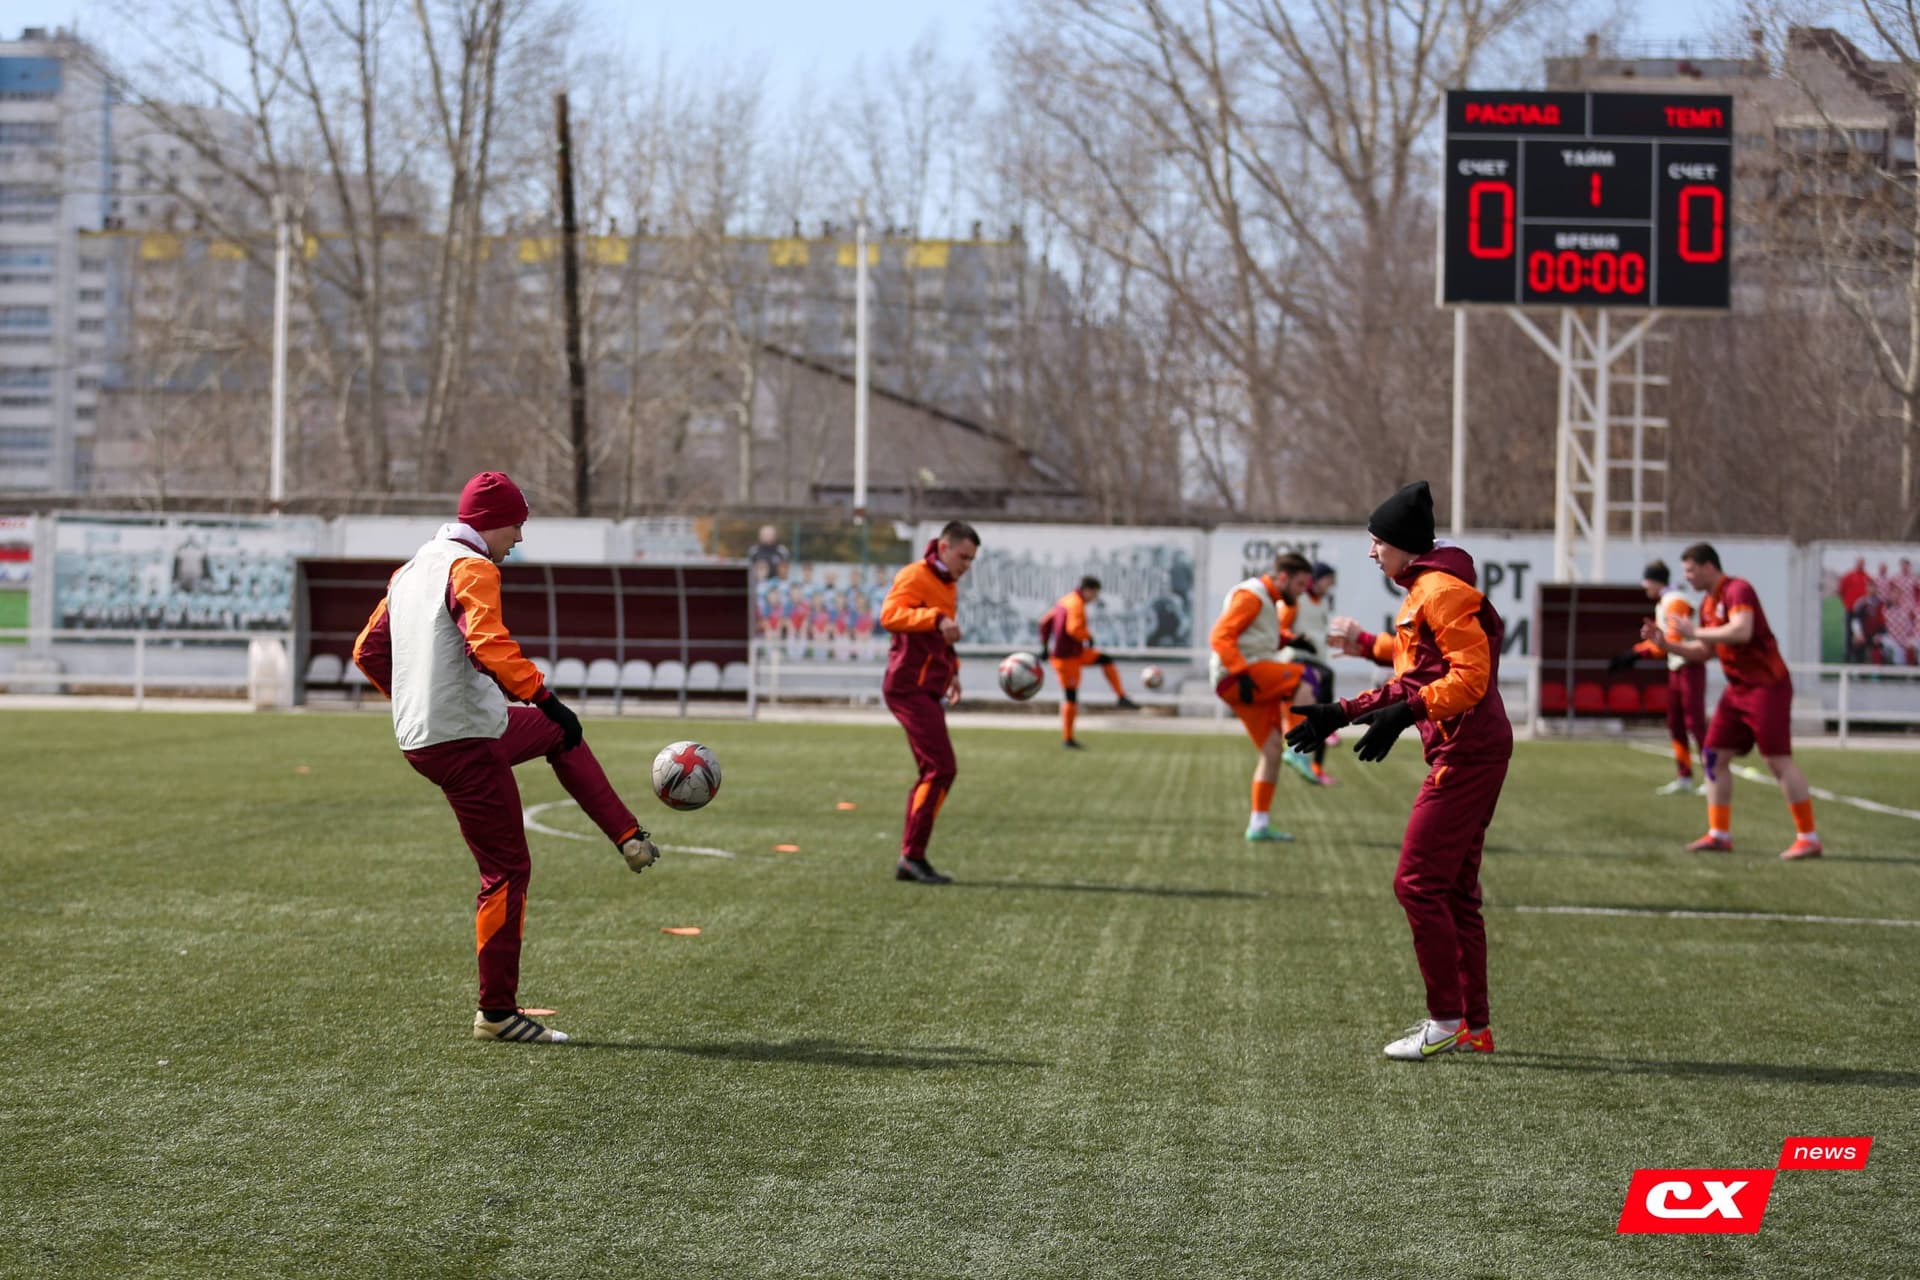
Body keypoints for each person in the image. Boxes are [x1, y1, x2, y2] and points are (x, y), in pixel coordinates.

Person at [352, 471, 662, 1045]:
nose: (520, 536)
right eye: (518, 523)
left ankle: (628, 836)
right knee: (507, 870)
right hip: (464, 740)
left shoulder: (412, 569)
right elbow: (488, 643)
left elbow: (367, 650)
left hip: (440, 732)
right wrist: (543, 693)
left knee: (555, 732)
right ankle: (496, 1013)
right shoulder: (472, 567)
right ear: (493, 521)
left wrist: (416, 702)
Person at [1286, 481, 1511, 1061]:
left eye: (1377, 540)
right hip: (1465, 745)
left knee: (1415, 883)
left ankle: (1444, 1020)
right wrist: (1344, 712)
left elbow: (1470, 681)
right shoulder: (1427, 588)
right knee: (1456, 891)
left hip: (1468, 750)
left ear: (1406, 546)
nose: (1371, 552)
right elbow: (1413, 677)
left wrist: (1402, 714)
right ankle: (1472, 1026)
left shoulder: (1439, 590)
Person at [1643, 542, 1823, 861]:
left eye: (1690, 570)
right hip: (1737, 690)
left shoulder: (1738, 590)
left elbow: (1741, 631)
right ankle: (1719, 834)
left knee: (1777, 761)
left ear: (1708, 566)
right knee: (1713, 756)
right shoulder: (1709, 605)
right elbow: (1703, 651)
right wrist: (1668, 646)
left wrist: (1694, 630)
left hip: (1767, 687)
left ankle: (1808, 837)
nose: (1688, 577)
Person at [881, 520, 980, 885]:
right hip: (907, 687)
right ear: (942, 546)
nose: (966, 565)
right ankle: (912, 856)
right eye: (963, 556)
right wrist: (935, 618)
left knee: (937, 770)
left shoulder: (946, 583)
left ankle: (913, 856)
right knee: (941, 768)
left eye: (971, 560)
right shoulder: (915, 575)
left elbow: (942, 638)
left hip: (927, 687)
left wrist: (952, 670)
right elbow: (889, 616)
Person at [1209, 551, 1319, 843]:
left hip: (1242, 677)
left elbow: (1256, 636)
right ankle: (1297, 749)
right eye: (1298, 585)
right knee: (1307, 677)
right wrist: (1241, 673)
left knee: (1271, 752)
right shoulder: (1252, 596)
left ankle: (1258, 824)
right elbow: (1220, 636)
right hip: (1238, 676)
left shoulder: (1265, 599)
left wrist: (1289, 639)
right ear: (1283, 577)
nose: (1301, 591)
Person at [1609, 559, 1707, 795]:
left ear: (1654, 580)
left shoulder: (1675, 602)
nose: (1645, 588)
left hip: (1689, 666)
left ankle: (1712, 777)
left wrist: (1637, 653)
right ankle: (1684, 776)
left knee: (1695, 724)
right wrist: (1635, 651)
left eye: (1647, 581)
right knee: (1676, 722)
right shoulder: (1666, 601)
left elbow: (1669, 642)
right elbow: (1663, 642)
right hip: (1677, 667)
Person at [1039, 575, 1140, 748]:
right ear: (1089, 590)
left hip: (1076, 653)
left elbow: (1044, 622)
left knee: (1105, 659)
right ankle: (1068, 738)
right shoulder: (1076, 603)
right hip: (1067, 657)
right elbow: (1074, 629)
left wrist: (1044, 646)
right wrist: (1088, 636)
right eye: (1095, 594)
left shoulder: (1066, 600)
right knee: (1071, 697)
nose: (1095, 598)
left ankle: (1121, 696)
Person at [1285, 561, 1341, 786]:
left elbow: (1321, 632)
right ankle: (1302, 748)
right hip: (1298, 660)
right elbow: (1284, 628)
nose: (1331, 584)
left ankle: (1316, 766)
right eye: (1328, 579)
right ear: (1315, 579)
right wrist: (1296, 640)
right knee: (1327, 678)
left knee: (1322, 718)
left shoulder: (1322, 604)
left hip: (1315, 662)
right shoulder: (1298, 600)